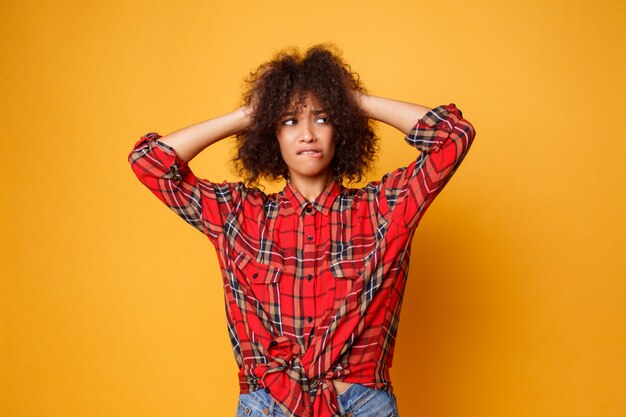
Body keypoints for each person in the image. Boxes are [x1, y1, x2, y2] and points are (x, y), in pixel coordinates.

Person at [128, 45, 476, 417]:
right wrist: (249, 114)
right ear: (270, 134)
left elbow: (452, 137)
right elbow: (150, 163)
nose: (307, 134)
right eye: (290, 121)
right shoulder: (238, 214)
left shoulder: (383, 209)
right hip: (268, 406)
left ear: (341, 130)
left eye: (322, 119)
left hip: (361, 405)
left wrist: (351, 100)